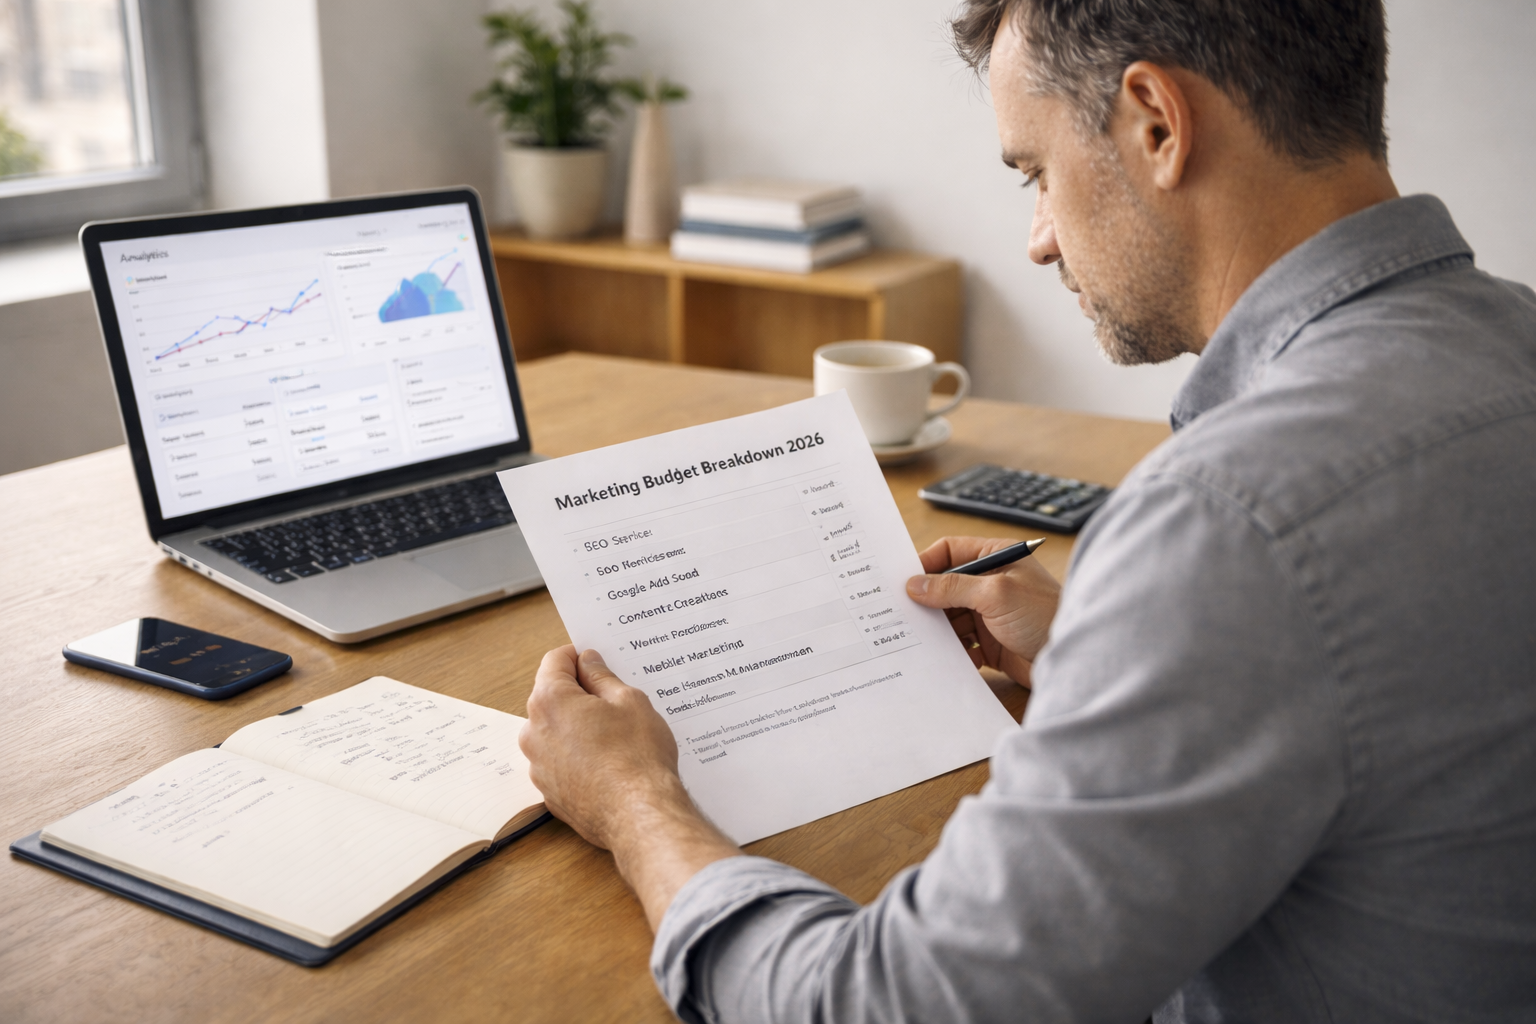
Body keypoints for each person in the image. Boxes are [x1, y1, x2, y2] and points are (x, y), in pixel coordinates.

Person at [518, 1, 1536, 1020]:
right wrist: (1113, 659)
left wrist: (637, 805)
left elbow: (898, 1005)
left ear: (1156, 123)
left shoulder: (1231, 520)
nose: (1040, 240)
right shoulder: (1513, 344)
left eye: (1035, 172)